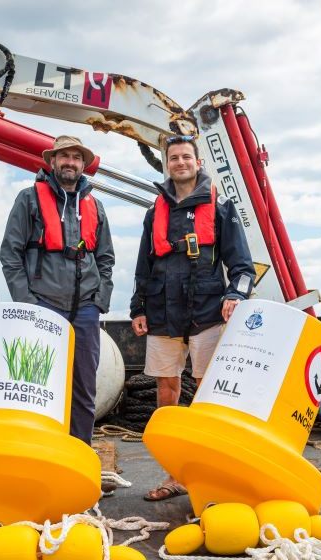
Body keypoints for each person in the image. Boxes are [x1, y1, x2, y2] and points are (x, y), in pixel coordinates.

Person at [130, 135, 255, 500]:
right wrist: (138, 307)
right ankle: (174, 474)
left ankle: (208, 473)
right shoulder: (155, 213)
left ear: (198, 162)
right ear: (166, 164)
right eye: (174, 158)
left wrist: (235, 294)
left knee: (207, 392)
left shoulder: (221, 207)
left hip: (206, 312)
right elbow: (143, 266)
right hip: (163, 314)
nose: (180, 162)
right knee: (166, 391)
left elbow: (243, 266)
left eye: (187, 157)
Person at [0, 135, 115, 445]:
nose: (70, 162)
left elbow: (106, 259)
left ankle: (79, 451)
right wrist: (27, 303)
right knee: (38, 383)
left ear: (82, 164)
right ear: (52, 162)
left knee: (83, 386)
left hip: (86, 309)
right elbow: (10, 255)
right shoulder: (28, 199)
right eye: (64, 156)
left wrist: (99, 301)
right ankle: (40, 450)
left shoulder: (96, 205)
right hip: (43, 306)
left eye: (76, 157)